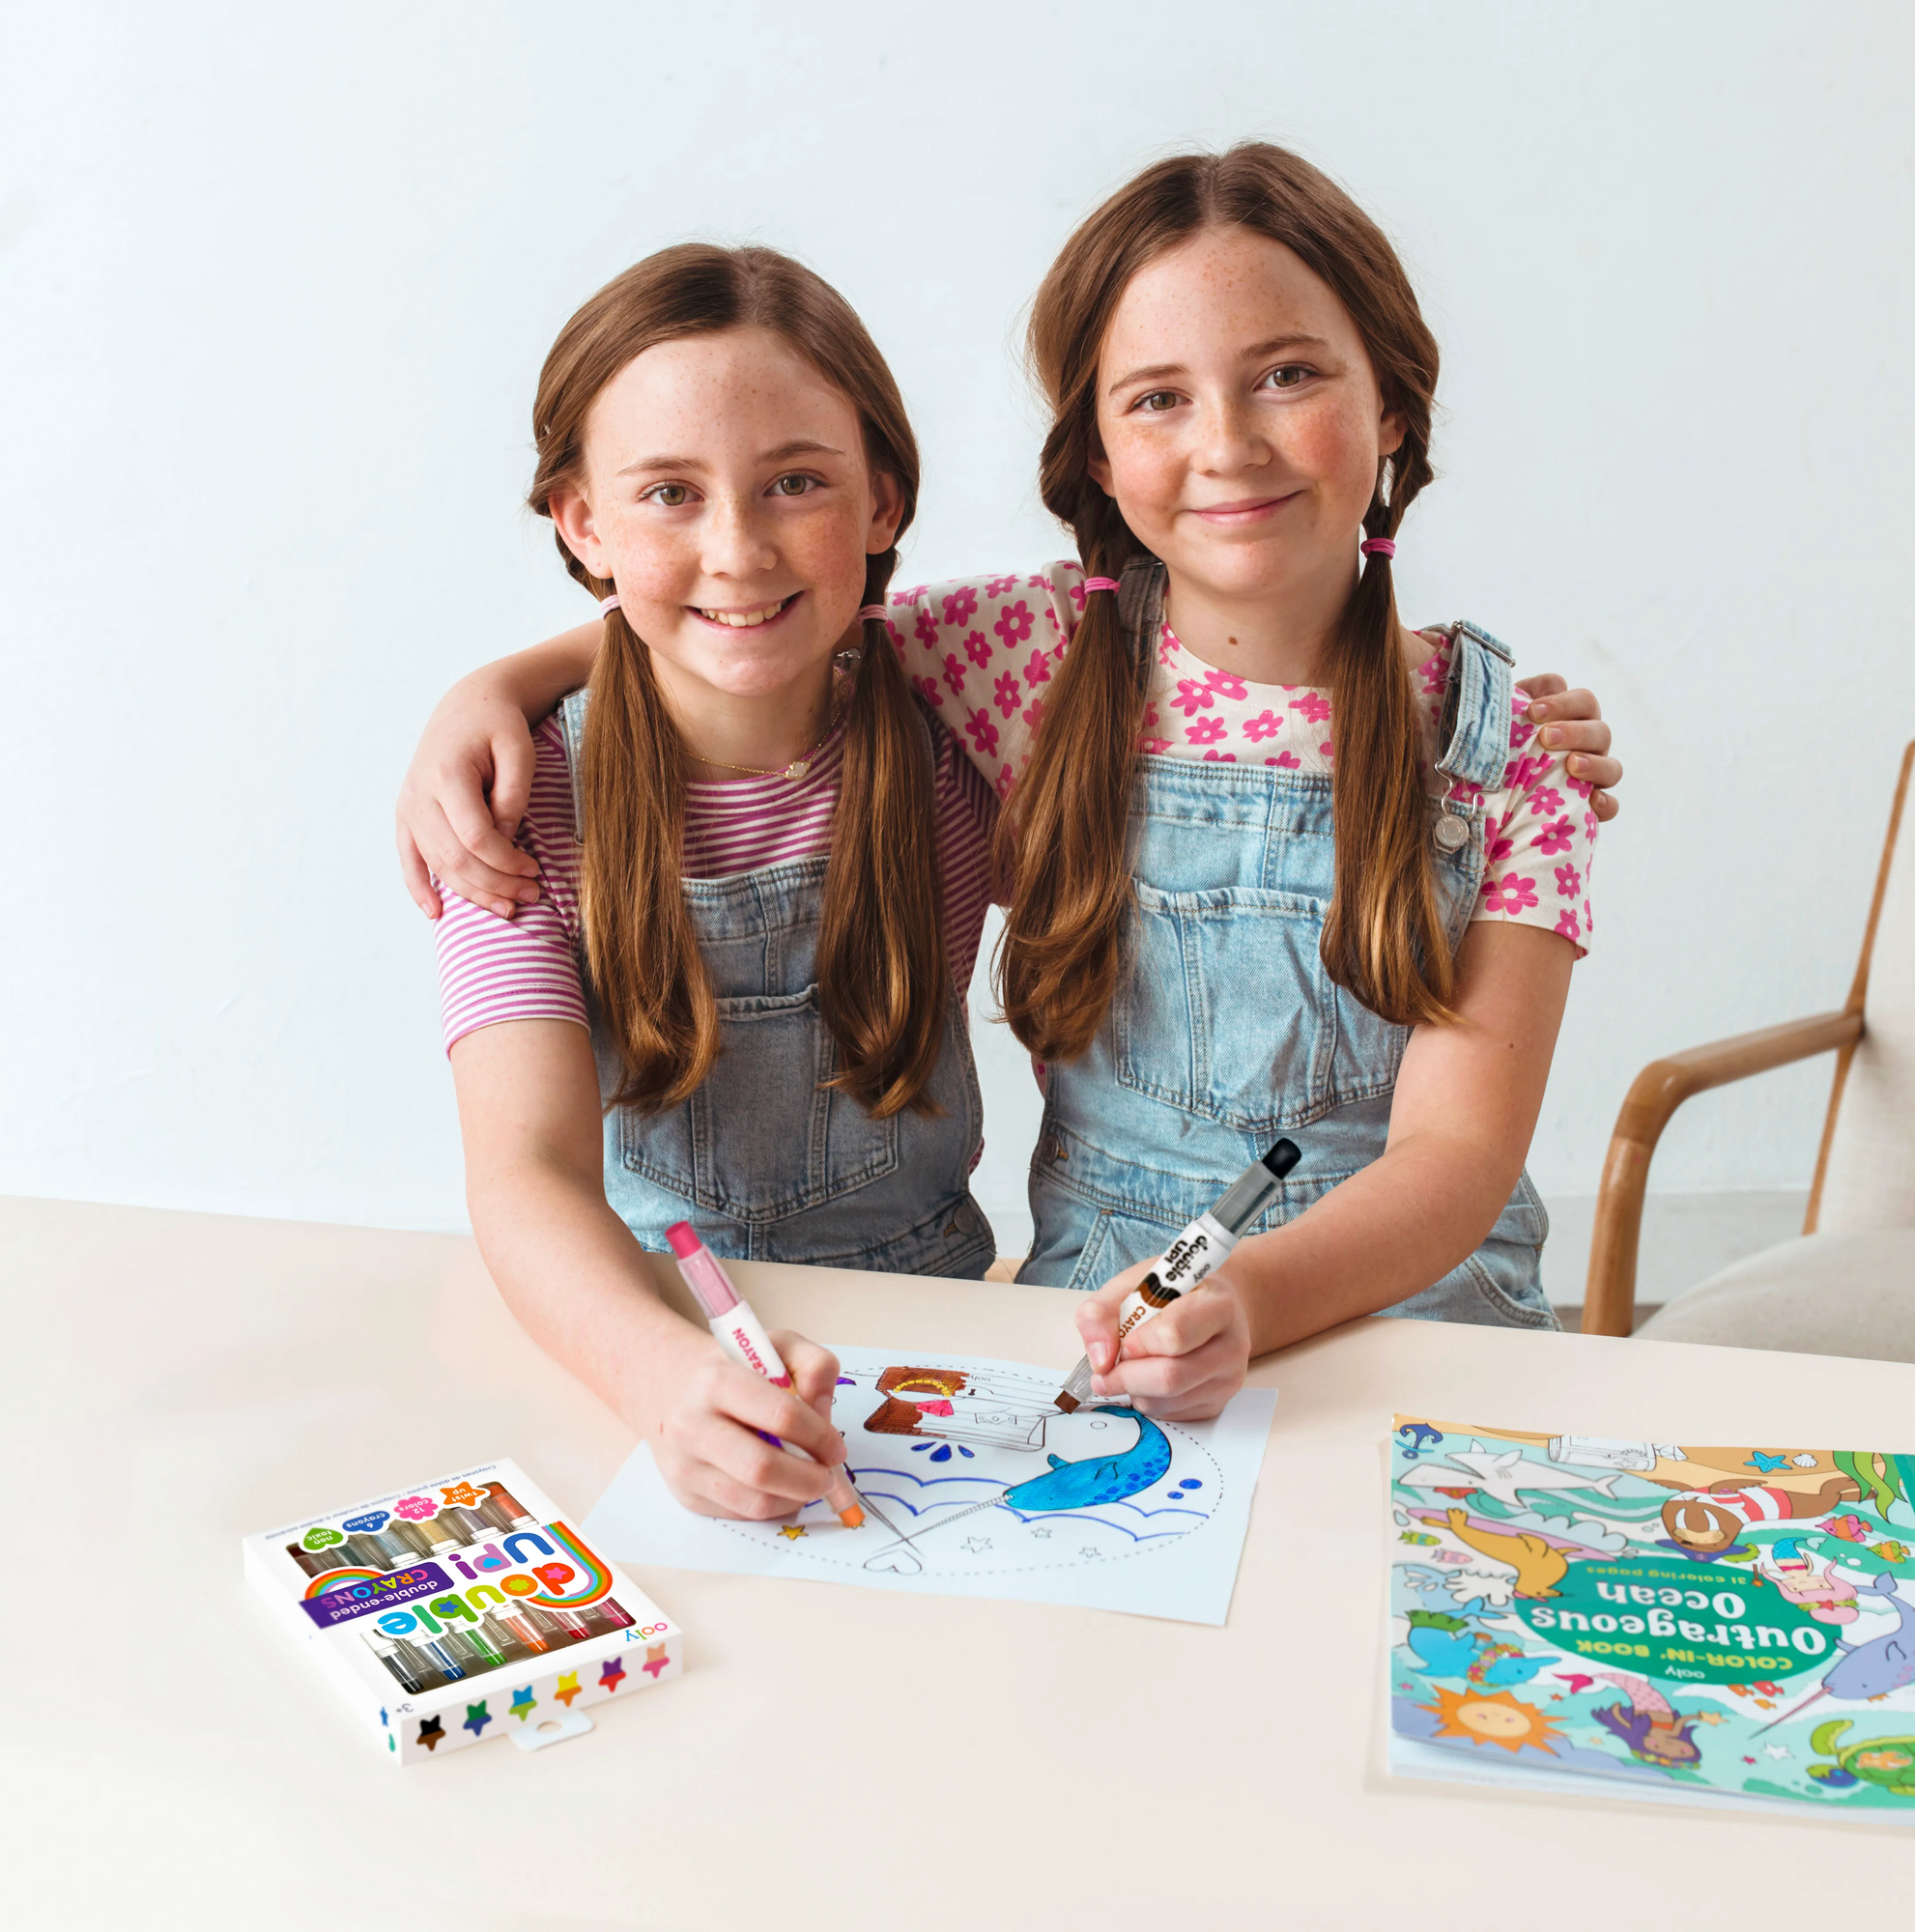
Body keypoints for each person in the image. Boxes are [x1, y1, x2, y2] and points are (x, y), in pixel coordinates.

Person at [408, 146, 1629, 1434]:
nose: (1228, 442)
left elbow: (1457, 1158)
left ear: (1394, 406)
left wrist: (1248, 1295)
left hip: (1423, 1346)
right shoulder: (1031, 661)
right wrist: (494, 686)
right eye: (1157, 397)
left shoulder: (1512, 750)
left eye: (1288, 374)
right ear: (1096, 455)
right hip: (1092, 1350)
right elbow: (754, 625)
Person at [448, 242, 999, 1519]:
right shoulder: (518, 792)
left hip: (936, 1348)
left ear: (882, 502)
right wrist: (665, 1384)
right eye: (669, 495)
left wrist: (1468, 709)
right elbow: (522, 1171)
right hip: (635, 1335)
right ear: (584, 525)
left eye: (795, 482)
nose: (740, 549)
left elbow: (1211, 689)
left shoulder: (970, 722)